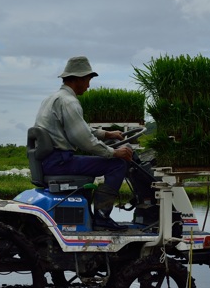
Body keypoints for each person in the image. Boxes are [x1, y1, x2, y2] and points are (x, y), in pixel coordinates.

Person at [33, 56, 134, 230]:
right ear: (78, 79)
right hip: (60, 162)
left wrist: (107, 134)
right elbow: (84, 140)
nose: (88, 85)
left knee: (104, 161)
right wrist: (113, 153)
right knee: (117, 165)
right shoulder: (69, 102)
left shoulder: (53, 98)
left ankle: (94, 215)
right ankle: (102, 218)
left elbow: (80, 129)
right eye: (88, 80)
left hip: (50, 161)